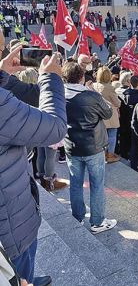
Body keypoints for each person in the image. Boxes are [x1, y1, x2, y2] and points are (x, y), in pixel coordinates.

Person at [0, 48, 67, 286]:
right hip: (11, 228)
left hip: (11, 214)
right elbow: (56, 129)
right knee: (19, 269)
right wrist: (51, 78)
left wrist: (1, 75)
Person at [62, 62, 117, 234]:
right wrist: (93, 91)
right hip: (93, 146)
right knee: (96, 184)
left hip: (71, 145)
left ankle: (77, 217)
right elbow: (108, 112)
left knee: (76, 184)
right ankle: (97, 222)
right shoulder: (90, 96)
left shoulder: (58, 94)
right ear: (81, 77)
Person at [93, 66, 121, 163]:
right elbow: (117, 103)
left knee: (101, 136)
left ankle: (103, 154)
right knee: (112, 135)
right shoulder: (109, 87)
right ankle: (110, 155)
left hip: (98, 114)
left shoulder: (94, 85)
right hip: (110, 115)